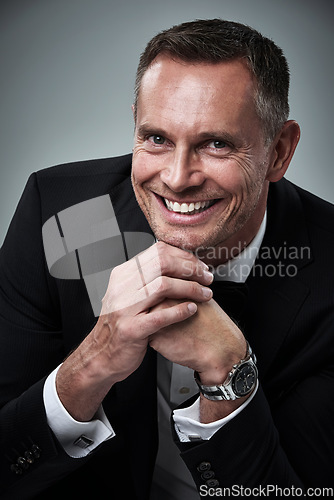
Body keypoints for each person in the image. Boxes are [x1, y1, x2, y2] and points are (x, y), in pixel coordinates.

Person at [0, 18, 333, 499]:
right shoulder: (58, 215)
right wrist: (95, 362)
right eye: (156, 138)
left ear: (279, 151)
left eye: (216, 144)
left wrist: (231, 377)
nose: (177, 179)